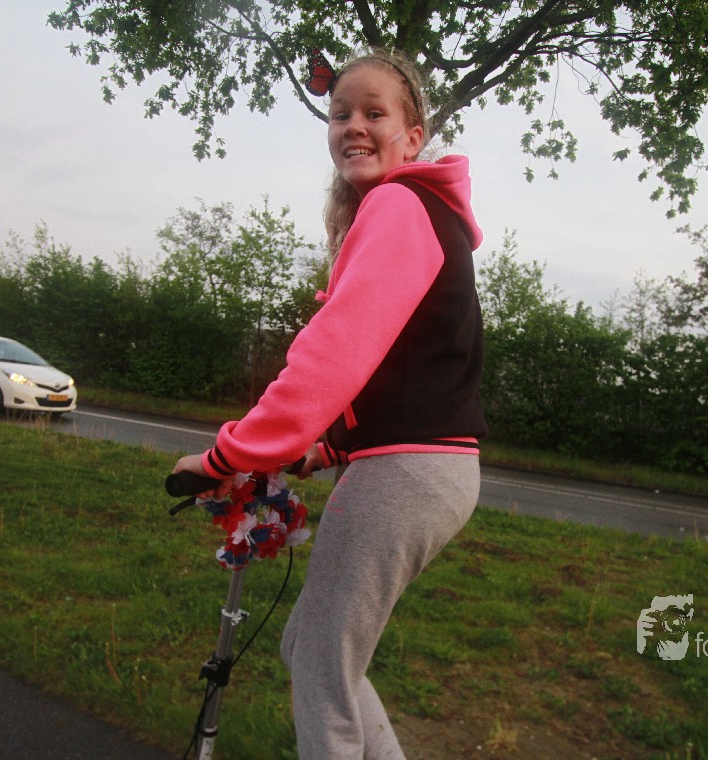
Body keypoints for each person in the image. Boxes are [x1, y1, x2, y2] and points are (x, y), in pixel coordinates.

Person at [172, 49, 486, 758]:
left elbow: (332, 355)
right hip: (423, 466)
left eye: (375, 112)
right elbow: (402, 366)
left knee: (322, 671)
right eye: (341, 113)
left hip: (406, 473)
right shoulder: (422, 212)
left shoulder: (400, 205)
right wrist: (326, 448)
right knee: (312, 652)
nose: (353, 126)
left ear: (413, 136)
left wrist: (228, 455)